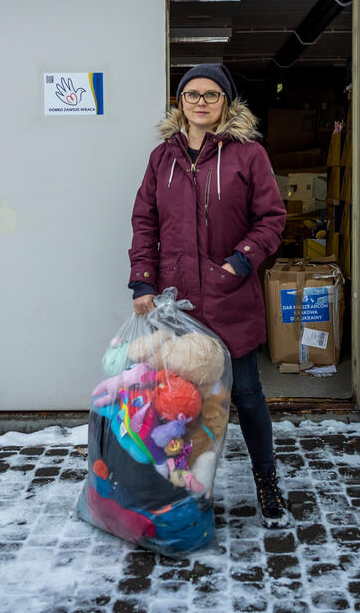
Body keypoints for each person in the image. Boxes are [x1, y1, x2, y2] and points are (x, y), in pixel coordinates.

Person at [127, 62, 290, 528]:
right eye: (192, 94)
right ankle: (186, 487)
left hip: (230, 294)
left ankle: (266, 480)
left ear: (226, 102)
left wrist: (239, 261)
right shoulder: (162, 158)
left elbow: (272, 219)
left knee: (249, 396)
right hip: (177, 303)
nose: (201, 102)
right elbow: (146, 221)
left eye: (211, 94)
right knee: (181, 401)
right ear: (180, 102)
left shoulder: (249, 155)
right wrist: (143, 280)